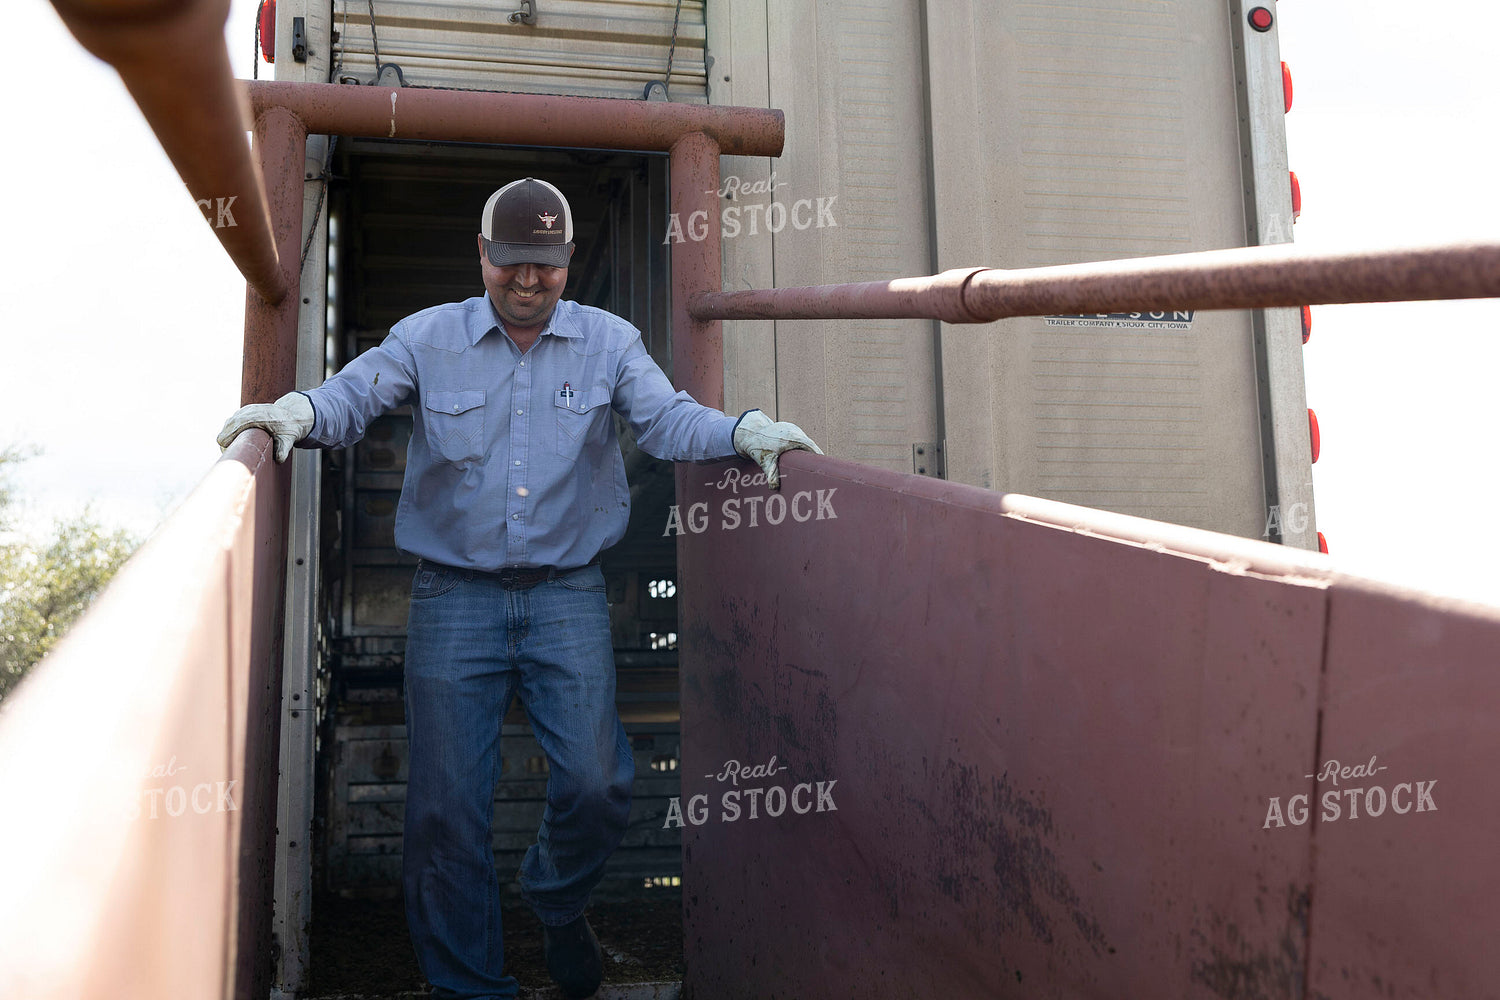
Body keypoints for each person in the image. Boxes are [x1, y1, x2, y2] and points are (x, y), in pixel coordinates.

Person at [217, 177, 820, 1000]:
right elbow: (355, 396)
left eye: (544, 265)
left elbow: (665, 416)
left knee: (598, 782)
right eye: (511, 265)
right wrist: (297, 413)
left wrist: (739, 431)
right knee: (443, 813)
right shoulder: (426, 338)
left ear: (567, 260)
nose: (527, 281)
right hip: (452, 599)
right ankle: (470, 987)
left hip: (565, 595)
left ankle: (555, 896)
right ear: (482, 256)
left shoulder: (609, 343)